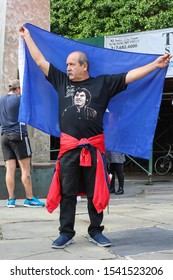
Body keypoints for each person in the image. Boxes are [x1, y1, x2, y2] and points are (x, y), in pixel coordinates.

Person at [19, 25, 172, 249]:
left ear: (84, 66)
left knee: (95, 191)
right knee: (67, 193)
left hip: (94, 148)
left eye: (72, 64)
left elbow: (130, 76)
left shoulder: (102, 83)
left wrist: (155, 64)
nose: (68, 67)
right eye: (67, 64)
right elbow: (41, 61)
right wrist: (28, 37)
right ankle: (66, 232)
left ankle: (95, 231)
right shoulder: (62, 81)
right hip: (69, 148)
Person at [0, 79, 45, 208]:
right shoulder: (20, 99)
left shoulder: (1, 100)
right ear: (18, 89)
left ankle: (11, 199)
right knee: (25, 169)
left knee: (9, 169)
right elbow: (38, 104)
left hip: (4, 136)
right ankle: (29, 198)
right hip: (19, 136)